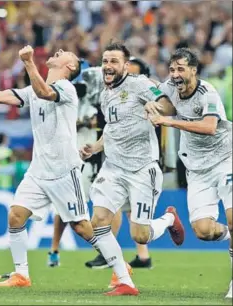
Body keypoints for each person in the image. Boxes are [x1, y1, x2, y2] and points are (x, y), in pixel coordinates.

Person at [0, 46, 135, 296]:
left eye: (67, 53)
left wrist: (29, 62)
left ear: (70, 67)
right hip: (38, 170)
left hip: (64, 171)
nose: (60, 50)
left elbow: (44, 92)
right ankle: (21, 274)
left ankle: (122, 272)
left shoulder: (66, 88)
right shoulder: (33, 89)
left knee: (82, 228)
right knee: (16, 216)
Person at [79, 42, 186, 295]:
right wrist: (95, 147)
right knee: (98, 223)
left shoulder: (140, 84)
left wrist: (156, 107)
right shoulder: (105, 95)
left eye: (114, 61)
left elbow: (169, 106)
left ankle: (169, 218)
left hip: (141, 169)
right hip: (114, 168)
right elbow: (112, 129)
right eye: (105, 61)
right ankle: (124, 280)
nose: (108, 66)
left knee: (140, 235)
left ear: (125, 65)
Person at [48, 57, 157, 270]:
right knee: (71, 202)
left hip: (118, 156)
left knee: (115, 203)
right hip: (88, 152)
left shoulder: (141, 92)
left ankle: (111, 253)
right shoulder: (99, 92)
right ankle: (130, 254)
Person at [146, 48, 232, 299]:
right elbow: (158, 96)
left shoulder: (208, 93)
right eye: (172, 69)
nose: (175, 74)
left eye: (181, 69)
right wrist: (154, 104)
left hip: (226, 160)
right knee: (203, 231)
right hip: (197, 168)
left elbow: (209, 126)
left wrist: (169, 121)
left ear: (193, 70)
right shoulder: (170, 86)